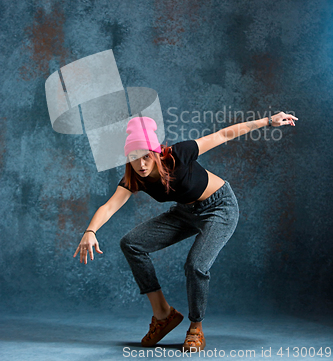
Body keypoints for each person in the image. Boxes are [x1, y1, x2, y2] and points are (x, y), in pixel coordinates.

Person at [73, 111, 298, 351]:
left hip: (220, 207)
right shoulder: (134, 177)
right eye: (134, 157)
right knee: (131, 243)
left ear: (157, 152)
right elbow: (109, 207)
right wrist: (90, 230)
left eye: (146, 156)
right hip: (186, 213)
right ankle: (163, 314)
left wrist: (267, 121)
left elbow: (222, 135)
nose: (141, 164)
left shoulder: (178, 155)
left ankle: (195, 328)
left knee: (196, 265)